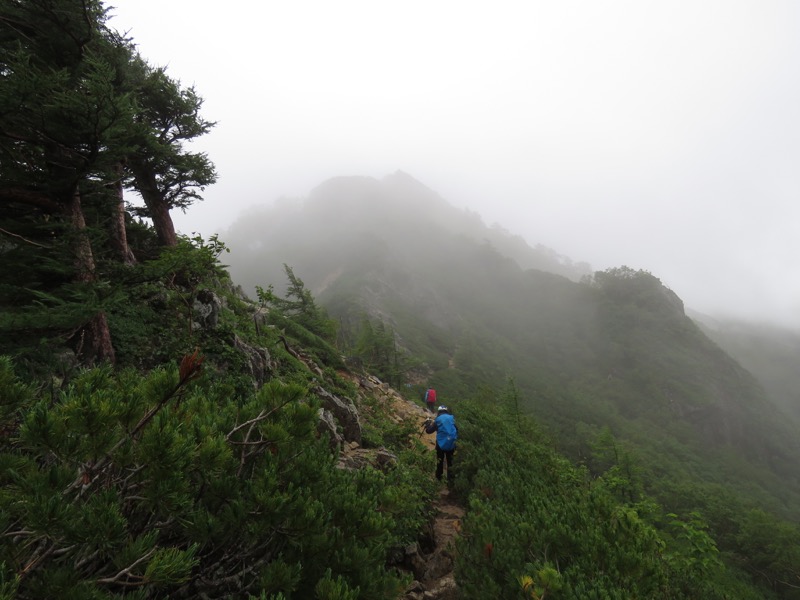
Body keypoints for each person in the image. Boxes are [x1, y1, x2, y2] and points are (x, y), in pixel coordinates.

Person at [424, 406, 458, 482]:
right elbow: (457, 429)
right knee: (450, 462)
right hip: (451, 443)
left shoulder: (438, 420)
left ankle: (439, 478)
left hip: (440, 444)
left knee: (440, 461)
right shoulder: (452, 418)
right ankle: (450, 482)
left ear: (439, 412)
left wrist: (427, 424)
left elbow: (429, 431)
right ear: (446, 411)